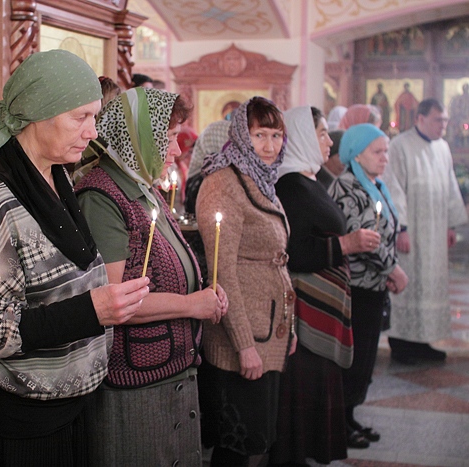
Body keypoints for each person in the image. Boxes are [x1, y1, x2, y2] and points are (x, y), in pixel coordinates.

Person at [0, 49, 150, 466]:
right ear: (38, 112)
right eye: (80, 117)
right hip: (16, 427)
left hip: (62, 413)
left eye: (94, 117)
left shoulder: (55, 174)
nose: (92, 132)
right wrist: (91, 311)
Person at [75, 87, 228, 467]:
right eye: (170, 137)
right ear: (138, 137)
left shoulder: (143, 188)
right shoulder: (102, 197)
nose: (176, 150)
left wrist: (204, 291)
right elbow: (115, 298)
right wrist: (192, 304)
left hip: (168, 368)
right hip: (134, 380)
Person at [270, 106, 381, 464]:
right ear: (303, 136)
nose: (329, 142)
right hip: (306, 308)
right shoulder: (289, 185)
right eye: (321, 133)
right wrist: (346, 245)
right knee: (302, 389)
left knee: (317, 385)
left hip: (324, 303)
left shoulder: (310, 179)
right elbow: (294, 250)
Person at [196, 97, 296, 467]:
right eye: (259, 135)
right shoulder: (223, 183)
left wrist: (289, 325)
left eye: (276, 135)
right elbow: (222, 272)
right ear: (241, 134)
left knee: (256, 441)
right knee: (236, 446)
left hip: (267, 327)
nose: (269, 145)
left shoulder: (261, 178)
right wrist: (244, 345)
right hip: (243, 336)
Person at [329, 123, 409, 447]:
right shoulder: (347, 187)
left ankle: (350, 417)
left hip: (373, 286)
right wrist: (394, 270)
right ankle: (339, 423)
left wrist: (387, 271)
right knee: (354, 356)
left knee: (365, 358)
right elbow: (366, 240)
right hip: (356, 288)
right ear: (356, 154)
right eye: (377, 151)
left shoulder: (376, 185)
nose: (384, 157)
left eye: (386, 151)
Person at [382, 98, 468, 364]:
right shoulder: (400, 146)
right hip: (412, 232)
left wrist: (451, 225)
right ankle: (401, 344)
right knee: (409, 284)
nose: (444, 125)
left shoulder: (443, 147)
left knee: (430, 286)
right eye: (438, 120)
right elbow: (394, 188)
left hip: (435, 231)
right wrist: (401, 228)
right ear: (420, 118)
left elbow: (450, 186)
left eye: (445, 120)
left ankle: (424, 341)